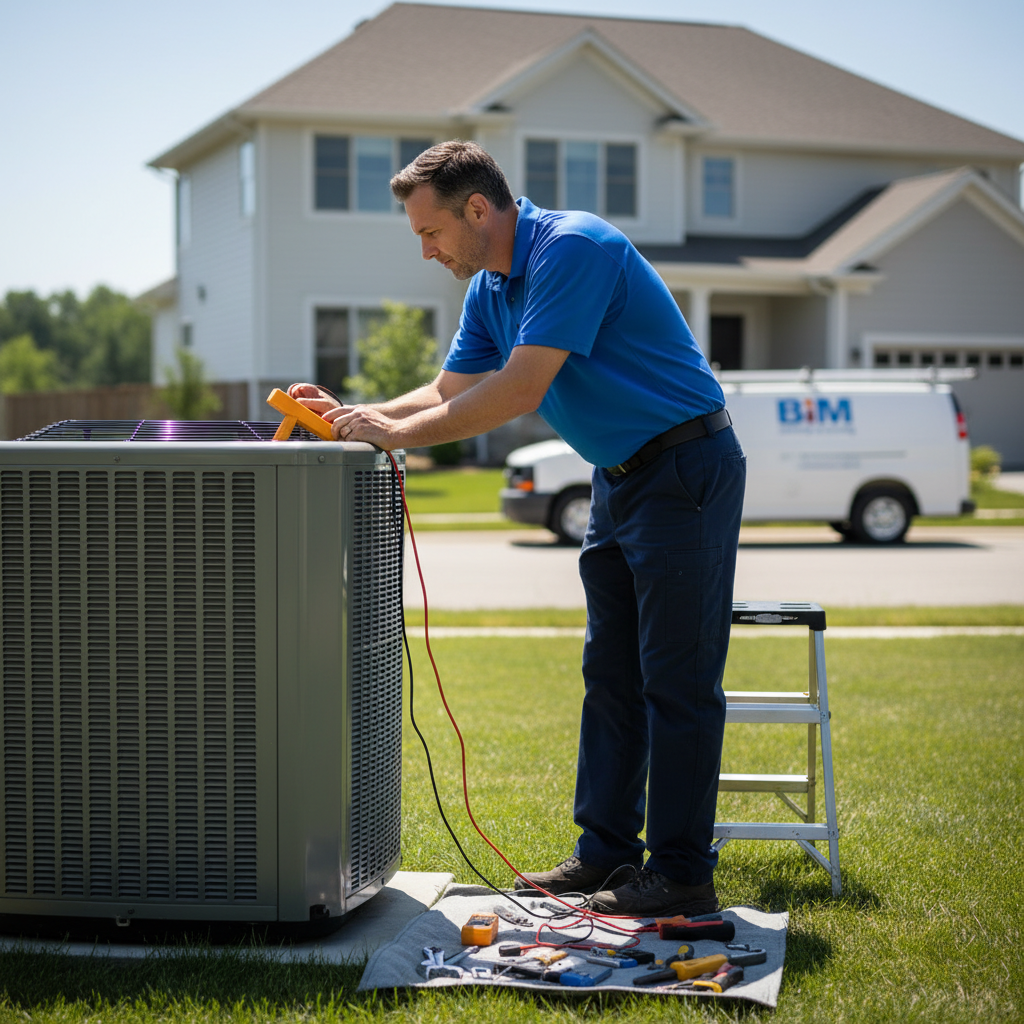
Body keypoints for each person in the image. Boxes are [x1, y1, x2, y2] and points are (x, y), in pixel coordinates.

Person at [289, 140, 745, 917]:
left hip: (685, 469)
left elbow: (518, 388)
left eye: (430, 233)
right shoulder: (492, 286)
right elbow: (447, 389)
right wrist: (349, 415)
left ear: (477, 210)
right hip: (619, 477)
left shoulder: (573, 248)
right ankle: (605, 857)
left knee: (677, 682)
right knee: (612, 680)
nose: (427, 251)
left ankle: (680, 875)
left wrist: (391, 437)